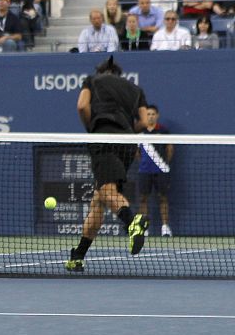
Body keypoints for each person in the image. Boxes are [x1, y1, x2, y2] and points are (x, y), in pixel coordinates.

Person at [65, 56, 150, 272]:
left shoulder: (92, 80)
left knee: (106, 190)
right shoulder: (135, 89)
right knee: (99, 200)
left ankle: (132, 221)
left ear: (102, 72)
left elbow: (82, 106)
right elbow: (144, 122)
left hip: (103, 136)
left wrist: (92, 129)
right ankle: (78, 255)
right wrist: (127, 131)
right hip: (128, 143)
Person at [137, 105, 174, 238]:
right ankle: (143, 228)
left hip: (161, 170)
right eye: (148, 114)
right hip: (144, 171)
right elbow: (137, 152)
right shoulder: (140, 132)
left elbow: (169, 149)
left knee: (163, 198)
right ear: (145, 116)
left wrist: (163, 164)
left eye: (153, 114)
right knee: (143, 199)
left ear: (157, 115)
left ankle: (165, 228)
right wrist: (144, 163)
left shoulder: (163, 131)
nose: (150, 116)